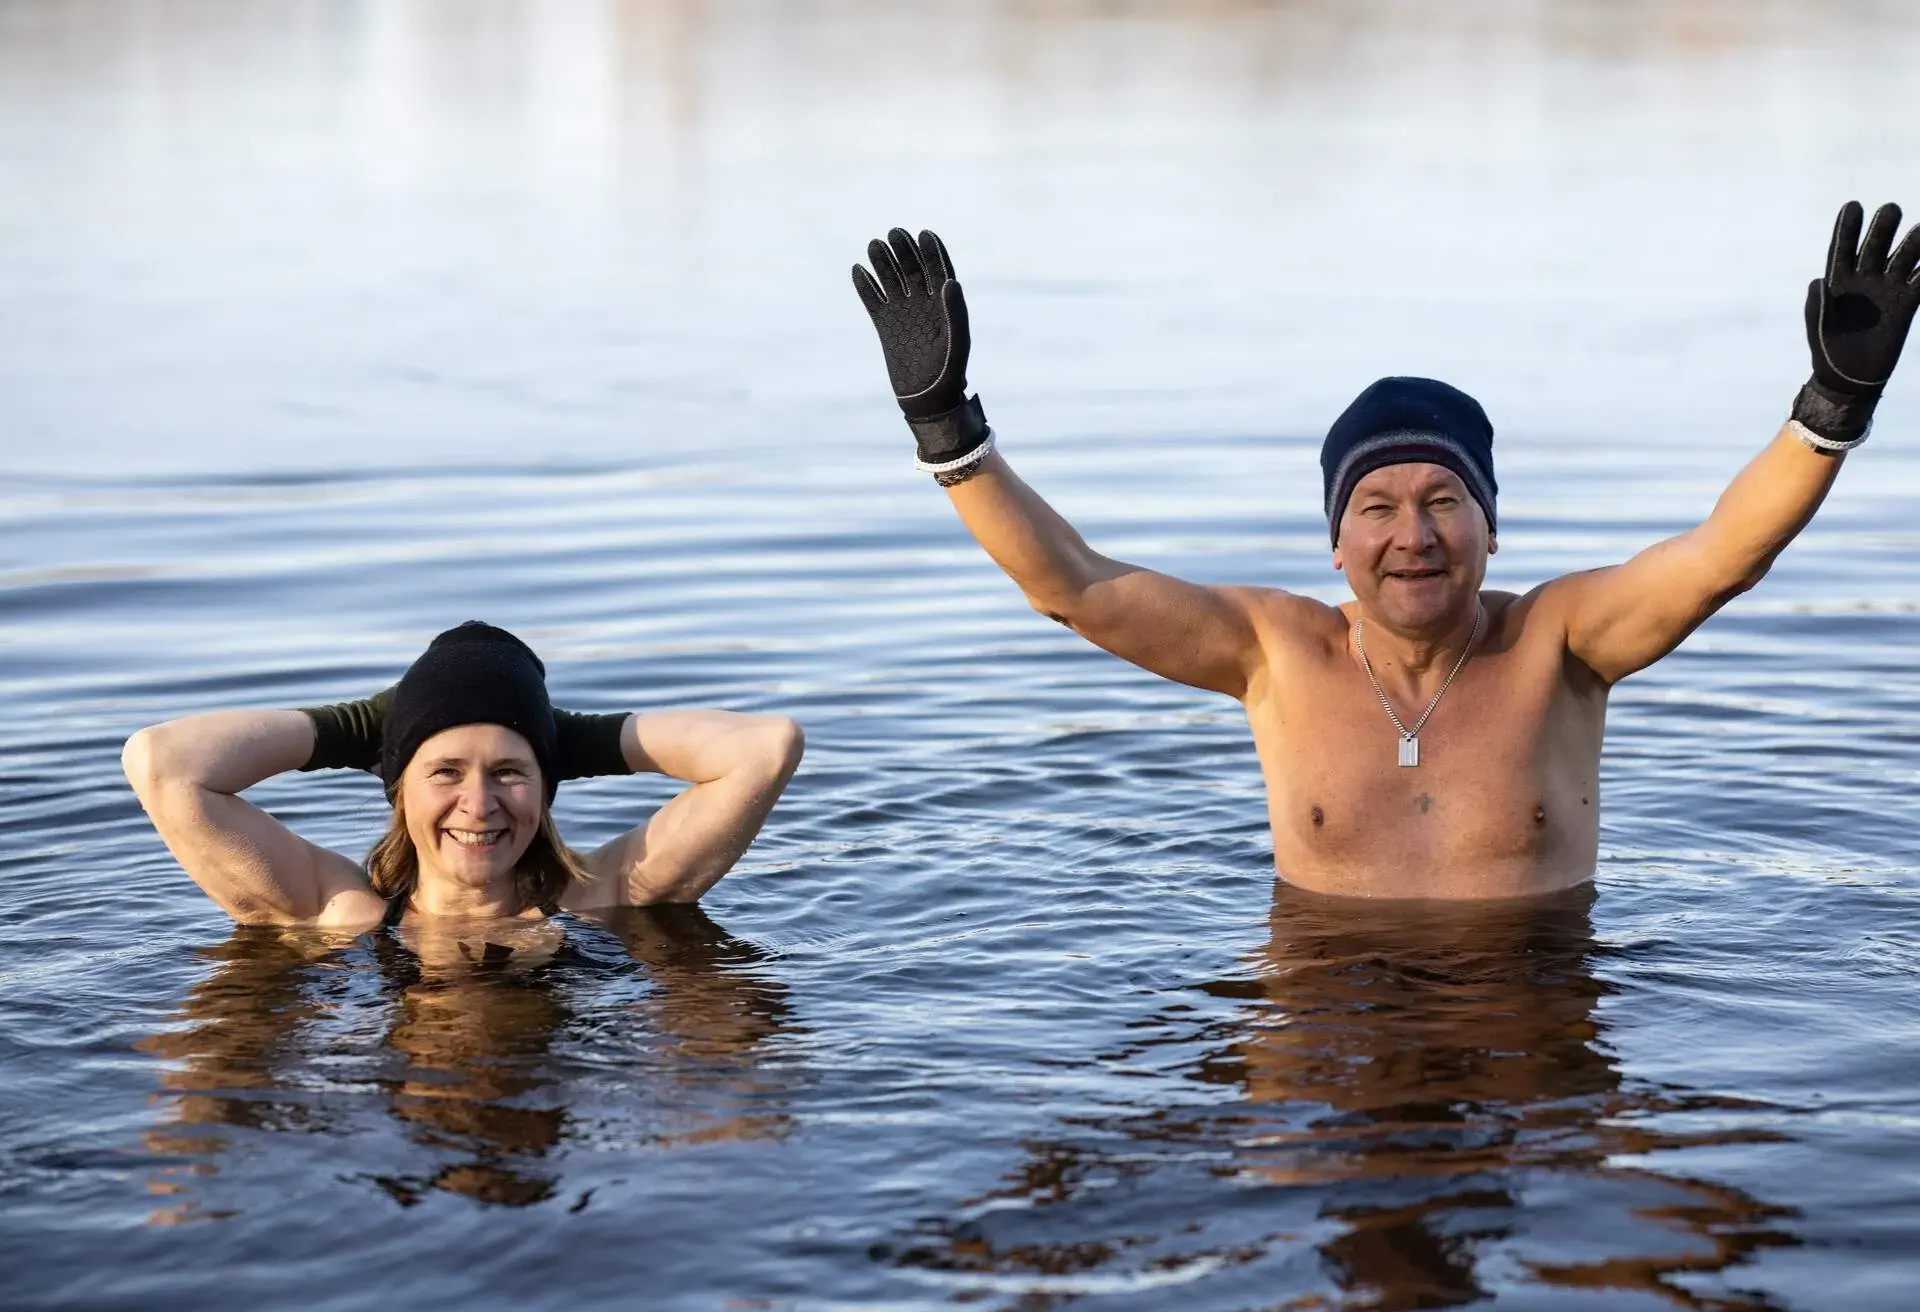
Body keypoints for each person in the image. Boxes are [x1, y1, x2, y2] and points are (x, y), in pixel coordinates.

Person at [851, 202, 1920, 899]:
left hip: (1529, 1027)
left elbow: (1724, 553)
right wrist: (947, 427)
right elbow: (1074, 588)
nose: (1413, 534)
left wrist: (1832, 404)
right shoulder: (1273, 652)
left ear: (1490, 528)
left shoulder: (1563, 644)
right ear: (1336, 545)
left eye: (1444, 499)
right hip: (1319, 1029)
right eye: (1377, 506)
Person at [123, 621, 804, 929]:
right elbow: (163, 761)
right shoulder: (344, 914)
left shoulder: (600, 901)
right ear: (399, 787)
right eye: (444, 771)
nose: (478, 805)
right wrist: (368, 727)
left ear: (547, 783)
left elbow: (765, 747)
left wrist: (557, 738)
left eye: (509, 772)